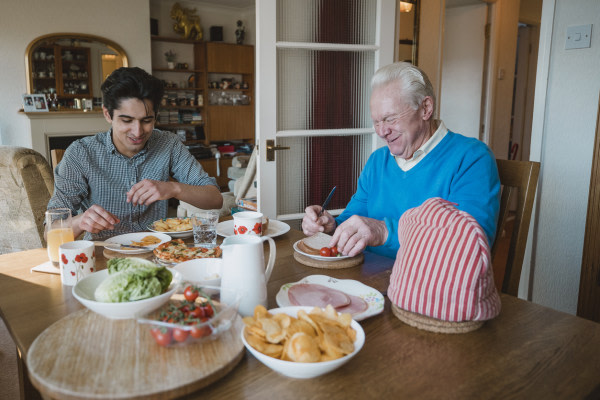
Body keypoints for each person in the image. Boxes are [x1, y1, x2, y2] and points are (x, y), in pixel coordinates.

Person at [302, 62, 500, 258]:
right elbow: (355, 216)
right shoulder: (378, 161)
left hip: (426, 287)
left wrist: (384, 232)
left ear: (425, 108)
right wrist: (331, 225)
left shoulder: (471, 158)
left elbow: (471, 245)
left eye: (390, 119)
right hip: (366, 281)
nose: (382, 131)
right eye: (376, 122)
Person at [47, 67, 222, 240]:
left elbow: (215, 199)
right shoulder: (80, 153)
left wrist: (173, 188)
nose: (138, 132)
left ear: (156, 115)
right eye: (127, 120)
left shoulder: (168, 143)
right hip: (104, 255)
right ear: (108, 114)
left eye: (147, 121)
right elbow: (50, 232)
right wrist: (80, 221)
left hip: (157, 252)